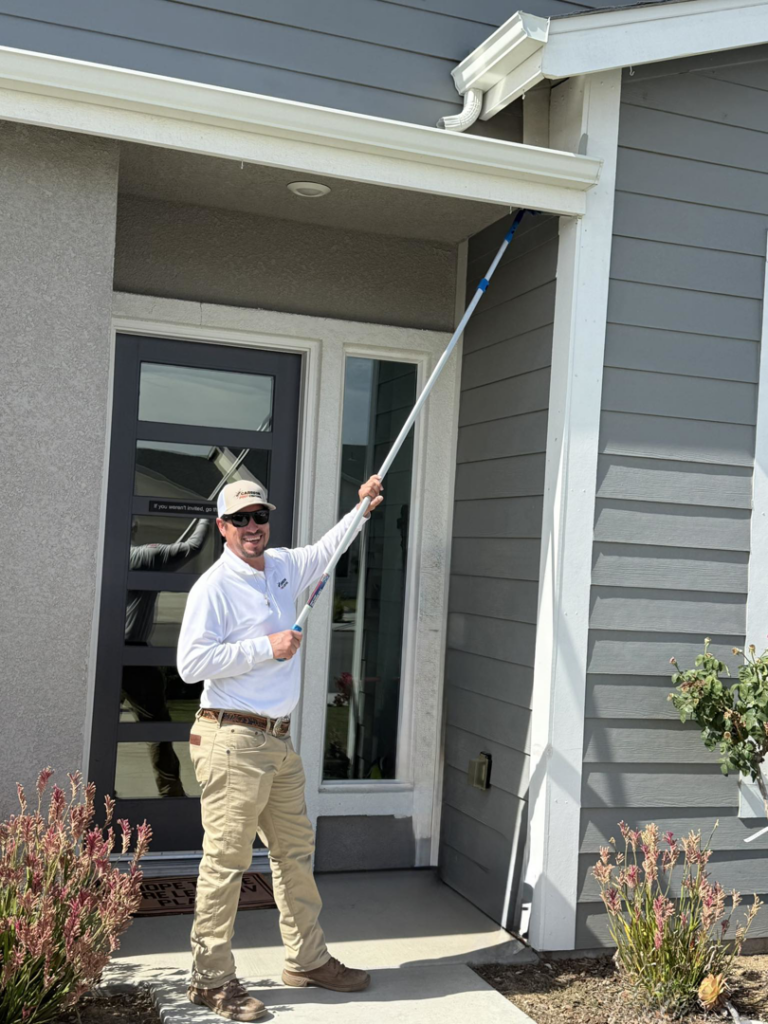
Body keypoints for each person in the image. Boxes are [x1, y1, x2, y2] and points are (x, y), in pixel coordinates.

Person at [177, 475, 383, 1021]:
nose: (252, 527)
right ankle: (210, 978)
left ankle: (307, 960)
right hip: (232, 738)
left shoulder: (286, 565)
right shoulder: (213, 588)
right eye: (240, 519)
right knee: (225, 863)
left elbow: (327, 549)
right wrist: (265, 648)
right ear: (221, 527)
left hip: (277, 741)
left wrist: (361, 508)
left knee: (294, 853)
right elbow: (190, 664)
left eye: (259, 516)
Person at [124, 517, 211, 797]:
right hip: (133, 656)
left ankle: (95, 792)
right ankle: (171, 794)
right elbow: (192, 547)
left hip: (105, 655)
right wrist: (207, 517)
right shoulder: (144, 555)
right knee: (157, 728)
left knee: (95, 725)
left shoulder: (101, 558)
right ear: (133, 528)